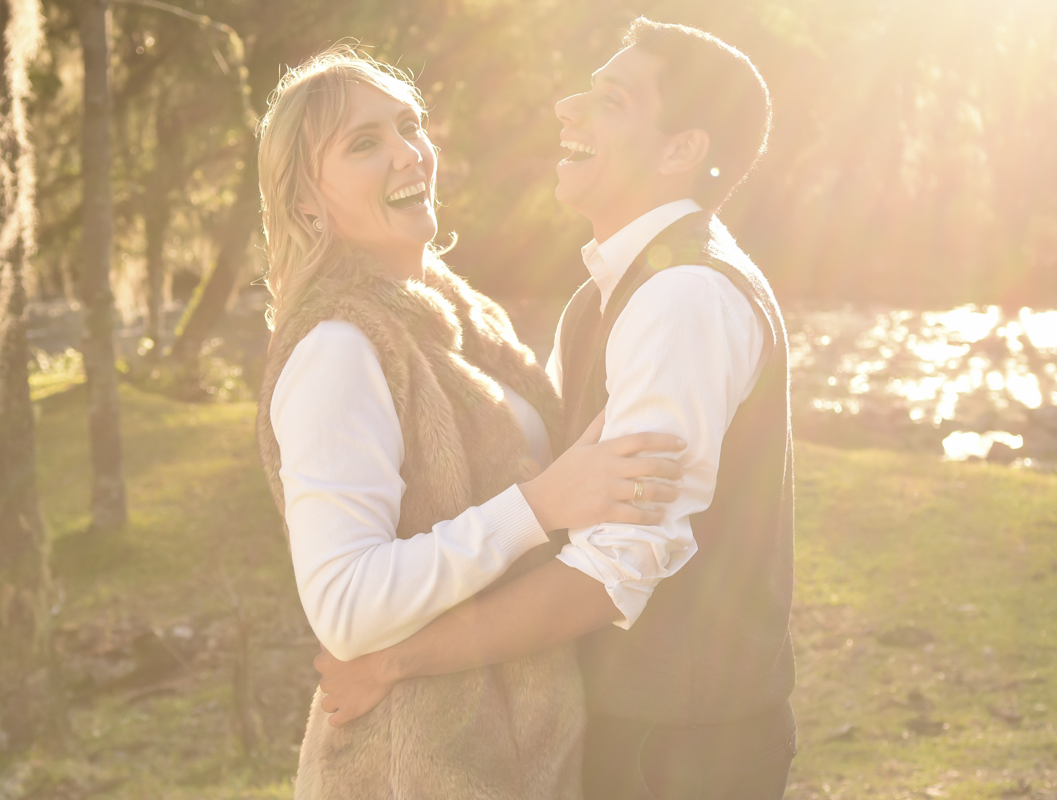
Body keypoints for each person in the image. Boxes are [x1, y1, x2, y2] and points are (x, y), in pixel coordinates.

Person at [316, 18, 798, 800]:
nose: (568, 107)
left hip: (679, 754)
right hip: (633, 731)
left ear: (681, 150)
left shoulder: (682, 297)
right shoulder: (604, 297)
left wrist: (396, 660)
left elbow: (611, 574)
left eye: (610, 100)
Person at [254, 47, 685, 799]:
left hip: (525, 760)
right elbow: (347, 607)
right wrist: (543, 504)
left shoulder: (467, 320)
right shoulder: (338, 350)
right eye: (363, 144)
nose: (406, 154)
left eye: (408, 125)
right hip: (410, 773)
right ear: (305, 205)